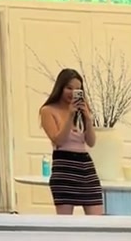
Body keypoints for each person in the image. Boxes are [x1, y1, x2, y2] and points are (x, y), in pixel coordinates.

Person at [39, 69, 103, 216]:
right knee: (65, 222)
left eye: (77, 89)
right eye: (69, 88)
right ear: (60, 87)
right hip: (64, 166)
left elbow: (91, 142)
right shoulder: (48, 111)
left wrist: (88, 119)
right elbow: (58, 140)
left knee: (97, 221)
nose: (72, 93)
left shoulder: (82, 111)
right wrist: (70, 115)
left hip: (85, 167)